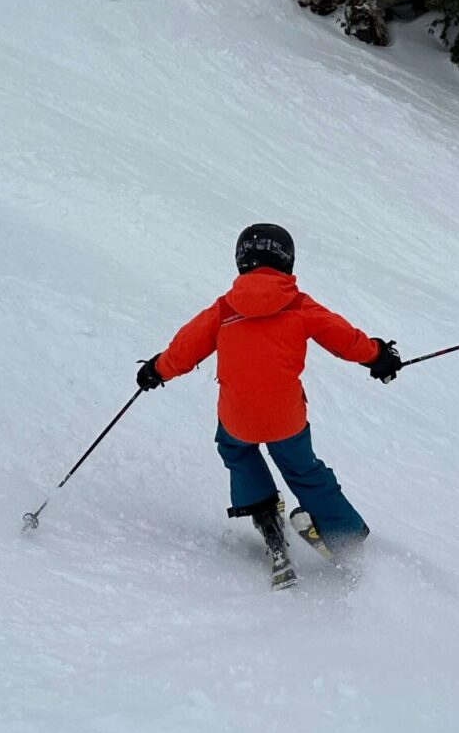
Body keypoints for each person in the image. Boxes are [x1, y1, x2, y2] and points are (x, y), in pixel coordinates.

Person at [136, 223, 400, 556]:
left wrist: (155, 370)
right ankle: (346, 538)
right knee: (303, 469)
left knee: (236, 450)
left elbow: (183, 351)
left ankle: (266, 517)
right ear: (287, 261)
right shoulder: (299, 305)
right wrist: (379, 356)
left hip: (237, 417)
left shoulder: (224, 309)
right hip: (285, 417)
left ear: (241, 262)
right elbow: (345, 340)